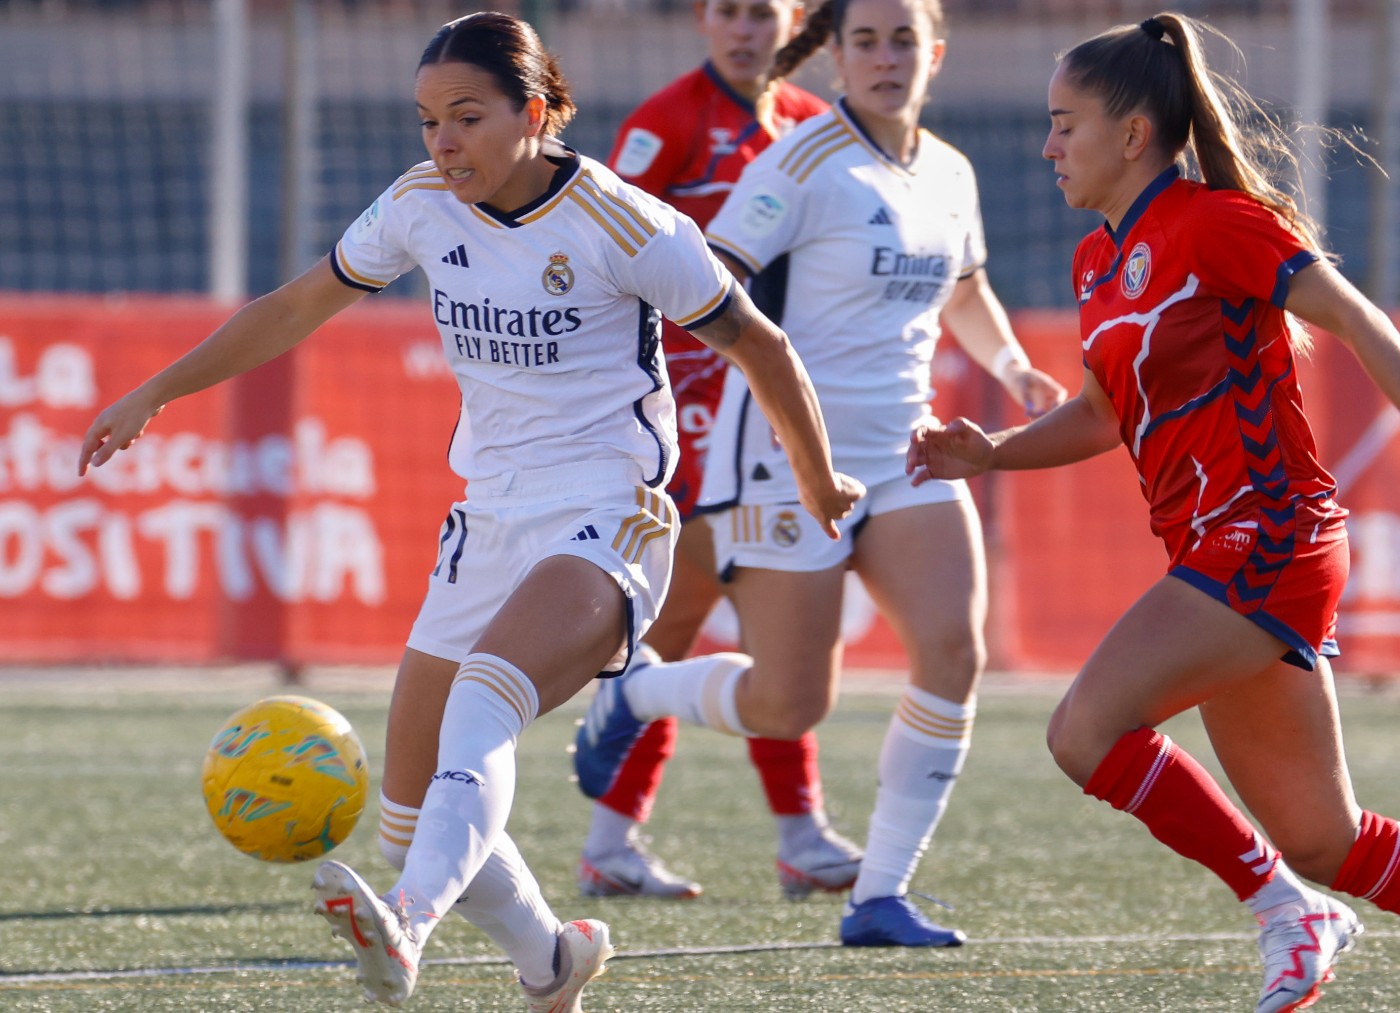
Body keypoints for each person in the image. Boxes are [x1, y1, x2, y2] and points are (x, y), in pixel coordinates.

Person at [78, 11, 858, 1009]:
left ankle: (407, 917)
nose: (444, 144)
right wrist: (154, 390)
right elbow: (290, 307)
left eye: (467, 118)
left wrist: (818, 476)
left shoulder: (627, 222)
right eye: (427, 124)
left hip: (607, 515)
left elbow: (761, 345)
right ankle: (551, 959)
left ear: (535, 113)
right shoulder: (418, 206)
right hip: (486, 523)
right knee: (410, 807)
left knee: (481, 701)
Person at [908, 13, 1400, 1013]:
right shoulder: (1097, 262)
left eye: (1063, 123)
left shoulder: (1217, 221)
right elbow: (1097, 413)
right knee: (1321, 836)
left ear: (1133, 135)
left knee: (1083, 730)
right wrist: (992, 452)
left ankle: (1283, 908)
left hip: (1270, 536)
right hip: (1226, 551)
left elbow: (1350, 312)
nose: (1046, 146)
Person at [573, 0, 1066, 948]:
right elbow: (711, 280)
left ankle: (879, 895)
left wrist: (1012, 369)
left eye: (905, 40)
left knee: (954, 652)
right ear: (835, 55)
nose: (887, 58)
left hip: (909, 453)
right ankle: (636, 690)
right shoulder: (796, 163)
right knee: (790, 702)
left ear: (937, 54)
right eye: (867, 41)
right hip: (787, 455)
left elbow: (966, 287)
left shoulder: (953, 172)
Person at [569, 0, 867, 905]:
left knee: (705, 624)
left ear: (795, 22)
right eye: (729, 12)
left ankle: (633, 840)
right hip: (687, 412)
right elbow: (601, 250)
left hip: (767, 407)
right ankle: (783, 834)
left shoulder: (814, 130)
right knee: (693, 616)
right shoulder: (666, 124)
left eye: (762, 13)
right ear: (703, 20)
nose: (745, 31)